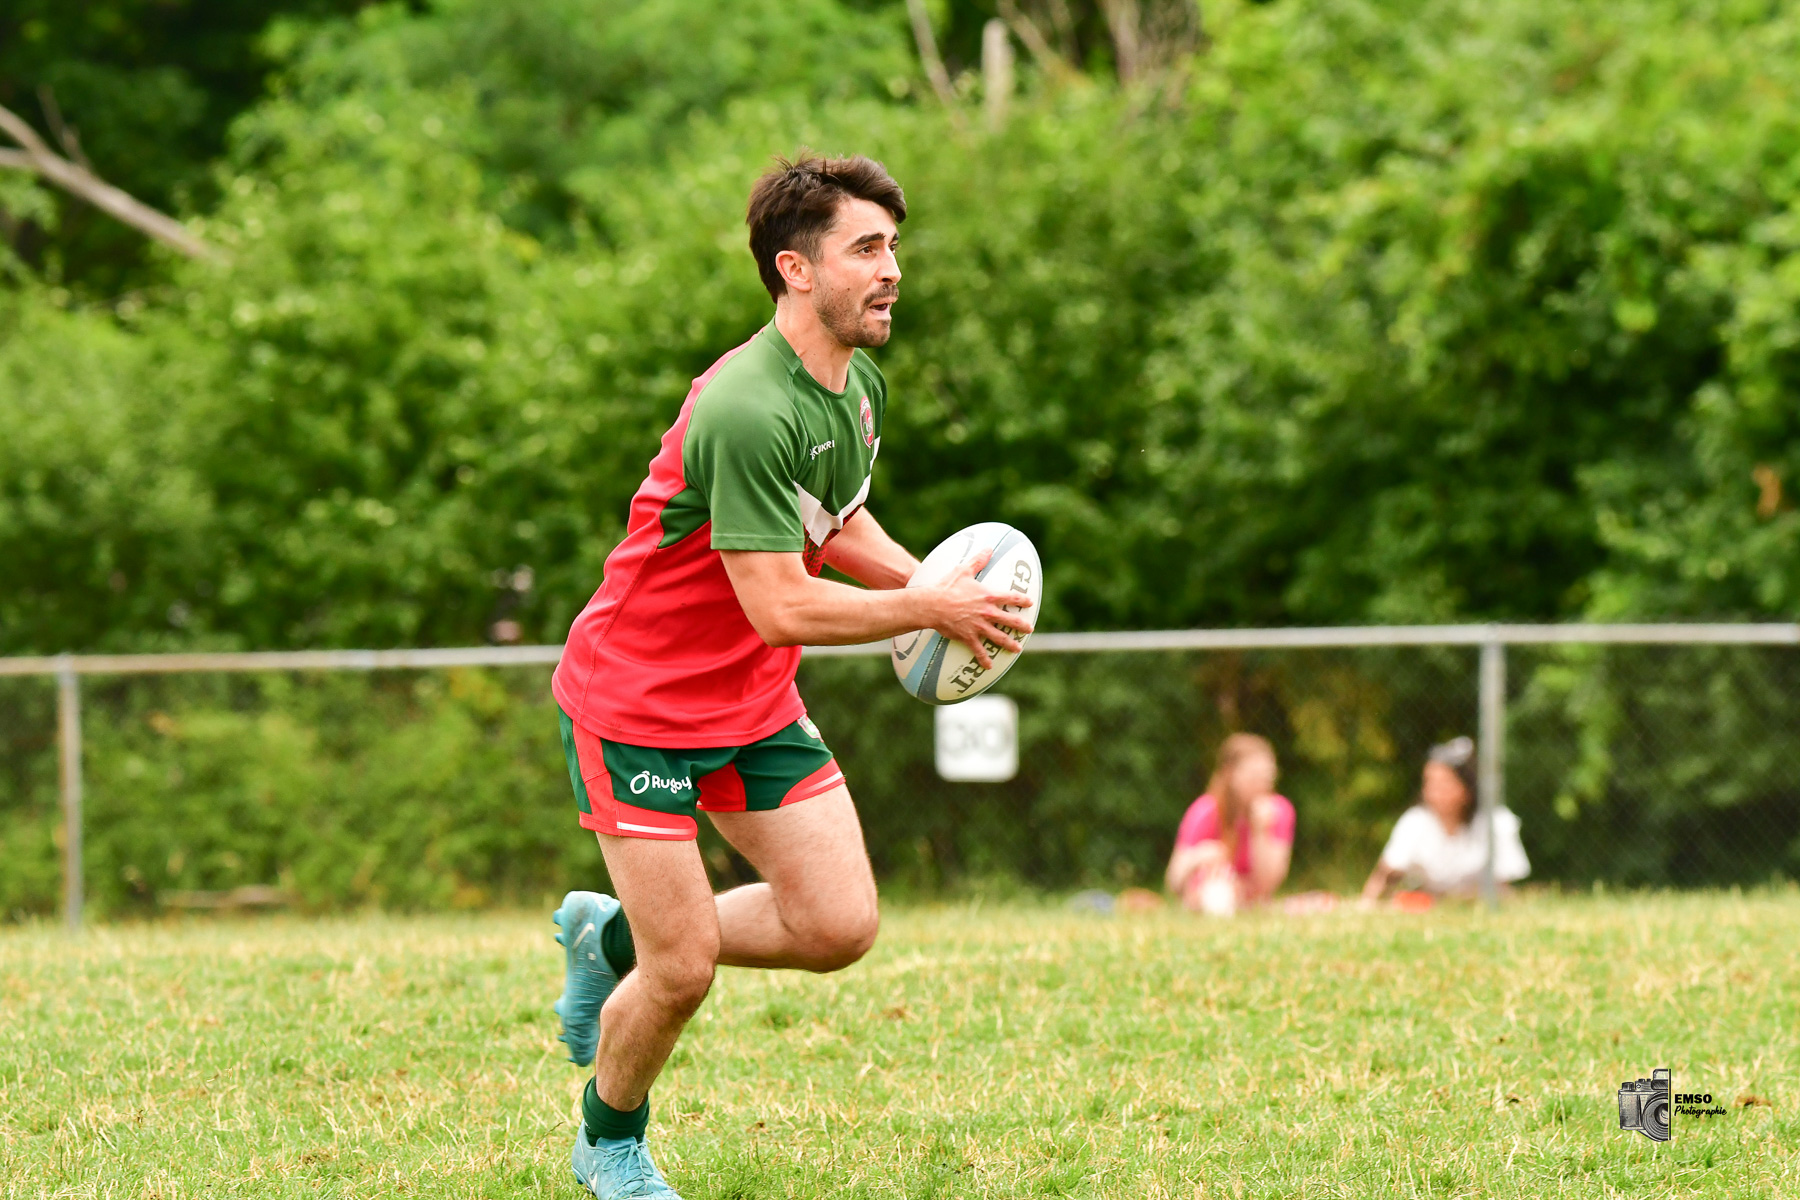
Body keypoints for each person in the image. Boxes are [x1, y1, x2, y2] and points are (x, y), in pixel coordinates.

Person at [544, 153, 1033, 1200]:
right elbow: (780, 603)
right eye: (867, 248)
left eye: (893, 245)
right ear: (794, 270)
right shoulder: (745, 408)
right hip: (637, 704)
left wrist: (945, 588)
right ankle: (609, 1142)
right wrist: (925, 608)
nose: (892, 268)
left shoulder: (855, 385)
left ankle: (609, 934)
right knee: (681, 972)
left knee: (838, 925)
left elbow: (834, 521)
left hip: (750, 699)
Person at [1360, 736, 1530, 904]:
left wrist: (1455, 899)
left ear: (1467, 789)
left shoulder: (1496, 822)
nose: (1435, 792)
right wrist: (1367, 904)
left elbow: (1503, 889)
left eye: (1444, 784)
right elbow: (1385, 875)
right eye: (1429, 783)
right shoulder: (1415, 822)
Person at [1164, 733, 1295, 914]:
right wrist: (1197, 857)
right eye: (1253, 777)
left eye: (1267, 777)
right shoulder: (1206, 811)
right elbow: (1173, 880)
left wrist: (1260, 832)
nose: (1261, 785)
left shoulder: (1279, 811)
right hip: (1209, 897)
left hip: (1252, 905)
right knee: (1217, 895)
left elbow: (1268, 885)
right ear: (1230, 774)